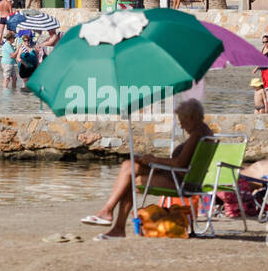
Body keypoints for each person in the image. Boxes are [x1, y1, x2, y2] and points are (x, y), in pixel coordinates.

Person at [81, 99, 212, 239]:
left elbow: (180, 163)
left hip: (180, 182)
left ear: (192, 118)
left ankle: (111, 218)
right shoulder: (205, 132)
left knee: (129, 178)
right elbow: (184, 164)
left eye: (182, 121)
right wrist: (151, 161)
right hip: (181, 178)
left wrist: (155, 160)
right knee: (128, 166)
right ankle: (110, 216)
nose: (181, 125)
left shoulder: (197, 135)